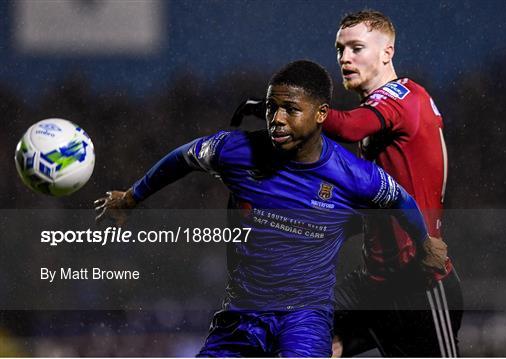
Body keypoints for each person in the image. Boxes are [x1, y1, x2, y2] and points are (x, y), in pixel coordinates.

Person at [94, 60, 446, 357]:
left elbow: (400, 200)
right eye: (270, 107)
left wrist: (426, 242)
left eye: (290, 109)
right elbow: (181, 158)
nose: (276, 118)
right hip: (241, 316)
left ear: (322, 113)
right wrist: (131, 197)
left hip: (305, 319)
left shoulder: (354, 176)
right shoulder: (236, 151)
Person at [231, 11, 463, 358]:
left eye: (356, 48)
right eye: (340, 50)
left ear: (388, 53)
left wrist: (284, 107)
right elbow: (368, 204)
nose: (344, 58)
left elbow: (349, 127)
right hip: (375, 286)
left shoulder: (401, 98)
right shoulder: (384, 115)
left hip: (419, 287)